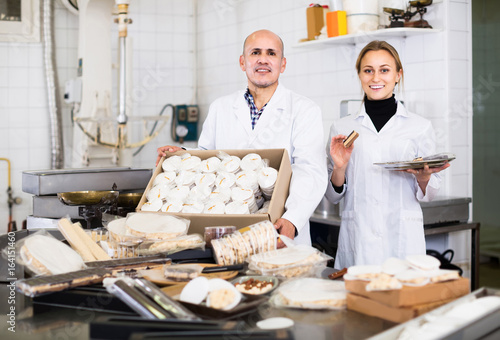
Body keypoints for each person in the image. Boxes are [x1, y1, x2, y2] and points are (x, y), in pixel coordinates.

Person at [157, 29, 328, 248]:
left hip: (278, 230)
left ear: (282, 64)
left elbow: (310, 171)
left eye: (271, 53)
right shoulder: (221, 107)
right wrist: (180, 156)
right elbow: (205, 163)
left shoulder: (304, 110)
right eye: (255, 52)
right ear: (242, 62)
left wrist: (293, 219)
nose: (263, 60)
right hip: (226, 231)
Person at [325, 40, 450, 268]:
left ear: (398, 75)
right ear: (360, 75)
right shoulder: (341, 128)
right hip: (358, 238)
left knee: (401, 299)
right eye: (368, 71)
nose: (375, 78)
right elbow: (333, 197)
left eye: (384, 70)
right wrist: (340, 167)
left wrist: (423, 178)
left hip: (402, 239)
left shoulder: (419, 126)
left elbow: (429, 194)